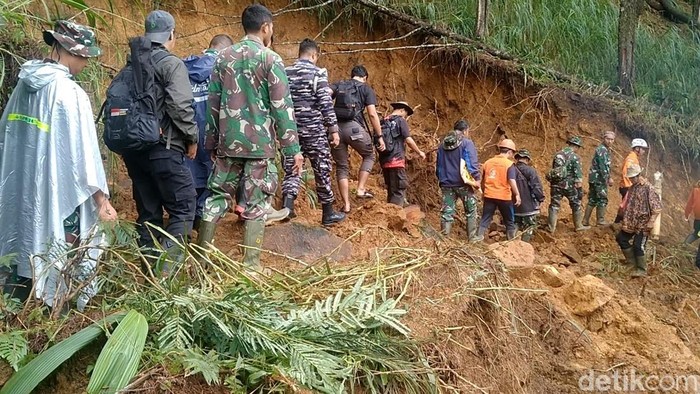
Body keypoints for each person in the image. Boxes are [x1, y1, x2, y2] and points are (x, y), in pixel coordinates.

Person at [0, 20, 116, 309]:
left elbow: (7, 137)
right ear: (65, 49)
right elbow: (84, 156)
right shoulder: (69, 93)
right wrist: (101, 201)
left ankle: (15, 307)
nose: (86, 63)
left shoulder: (23, 85)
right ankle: (56, 312)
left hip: (22, 187)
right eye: (83, 56)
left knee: (23, 237)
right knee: (59, 245)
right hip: (58, 192)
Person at [198, 4, 303, 269]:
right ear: (266, 27)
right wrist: (293, 151)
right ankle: (251, 266)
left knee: (216, 198)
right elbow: (282, 108)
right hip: (260, 147)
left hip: (228, 143)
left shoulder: (223, 57)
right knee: (256, 204)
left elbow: (212, 103)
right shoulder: (271, 59)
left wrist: (211, 142)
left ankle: (201, 262)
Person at [120, 10, 198, 265]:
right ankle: (166, 278)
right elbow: (180, 106)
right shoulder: (170, 63)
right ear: (171, 34)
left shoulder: (131, 64)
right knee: (184, 210)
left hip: (134, 153)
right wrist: (191, 138)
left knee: (149, 214)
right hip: (164, 149)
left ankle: (147, 274)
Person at [281, 38, 345, 225]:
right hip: (314, 131)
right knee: (322, 169)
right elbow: (325, 102)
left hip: (291, 131)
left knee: (292, 169)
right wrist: (333, 129)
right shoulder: (318, 73)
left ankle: (288, 208)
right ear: (314, 55)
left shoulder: (285, 72)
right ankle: (328, 214)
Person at [183, 34, 234, 230]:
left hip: (187, 134)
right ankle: (201, 225)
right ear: (225, 50)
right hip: (212, 134)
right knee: (211, 181)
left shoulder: (183, 67)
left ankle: (187, 223)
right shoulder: (224, 69)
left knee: (189, 177)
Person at [331, 65, 385, 213]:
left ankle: (346, 204)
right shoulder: (365, 88)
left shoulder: (339, 84)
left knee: (342, 166)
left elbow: (324, 96)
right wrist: (379, 136)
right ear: (365, 78)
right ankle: (360, 189)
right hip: (354, 128)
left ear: (352, 75)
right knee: (369, 155)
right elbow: (372, 114)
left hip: (334, 130)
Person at [436, 121, 480, 239]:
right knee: (471, 209)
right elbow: (471, 162)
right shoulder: (466, 143)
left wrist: (441, 179)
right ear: (465, 130)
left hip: (446, 183)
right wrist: (476, 179)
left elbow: (438, 165)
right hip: (463, 183)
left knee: (447, 211)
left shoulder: (442, 145)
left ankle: (444, 238)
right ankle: (472, 238)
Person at [616, 164, 661, 277]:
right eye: (630, 178)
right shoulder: (633, 187)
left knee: (638, 245)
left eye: (632, 177)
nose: (631, 180)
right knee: (621, 238)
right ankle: (631, 263)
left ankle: (641, 269)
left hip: (643, 223)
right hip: (631, 222)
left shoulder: (648, 188)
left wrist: (651, 222)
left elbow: (656, 207)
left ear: (638, 175)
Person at [377, 101, 425, 206]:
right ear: (402, 110)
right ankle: (396, 216)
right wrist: (419, 152)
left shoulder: (381, 122)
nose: (405, 117)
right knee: (399, 190)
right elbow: (408, 140)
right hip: (397, 160)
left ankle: (390, 214)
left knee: (391, 190)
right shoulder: (400, 121)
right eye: (406, 114)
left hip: (385, 162)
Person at [473, 139, 521, 241]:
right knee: (509, 221)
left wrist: (483, 192)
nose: (512, 155)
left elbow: (483, 179)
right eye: (513, 153)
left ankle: (478, 239)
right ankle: (511, 241)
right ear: (509, 152)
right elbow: (512, 180)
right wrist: (517, 194)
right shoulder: (509, 164)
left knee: (485, 219)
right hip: (504, 197)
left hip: (489, 195)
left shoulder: (488, 162)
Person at [546, 136, 590, 233]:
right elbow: (578, 178)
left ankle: (551, 228)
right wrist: (579, 191)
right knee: (576, 205)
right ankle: (578, 226)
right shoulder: (576, 157)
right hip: (569, 186)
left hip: (556, 185)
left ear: (569, 144)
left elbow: (555, 171)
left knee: (554, 205)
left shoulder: (558, 154)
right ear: (576, 146)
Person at [583, 131, 615, 227]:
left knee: (592, 199)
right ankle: (600, 221)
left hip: (594, 179)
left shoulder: (604, 149)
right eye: (608, 139)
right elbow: (603, 166)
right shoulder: (602, 150)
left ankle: (585, 221)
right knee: (602, 199)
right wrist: (608, 178)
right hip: (599, 179)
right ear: (603, 138)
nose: (609, 141)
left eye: (612, 139)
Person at [513, 149, 545, 242]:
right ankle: (524, 245)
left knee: (516, 223)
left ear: (517, 158)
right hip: (529, 205)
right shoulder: (530, 171)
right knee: (530, 225)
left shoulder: (511, 169)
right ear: (527, 159)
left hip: (514, 204)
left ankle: (510, 244)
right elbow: (536, 186)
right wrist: (541, 198)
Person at [615, 138, 648, 223]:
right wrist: (630, 186)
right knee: (626, 206)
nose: (644, 151)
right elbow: (626, 172)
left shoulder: (634, 158)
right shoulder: (631, 158)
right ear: (637, 148)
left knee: (626, 206)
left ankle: (619, 223)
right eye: (643, 149)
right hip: (627, 186)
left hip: (628, 186)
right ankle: (618, 223)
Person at [684, 181, 700, 269]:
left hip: (698, 220)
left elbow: (689, 204)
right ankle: (698, 261)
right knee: (696, 233)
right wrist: (686, 214)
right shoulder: (695, 191)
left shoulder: (696, 191)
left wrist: (687, 215)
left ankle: (684, 245)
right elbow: (690, 204)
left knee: (696, 234)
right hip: (698, 220)